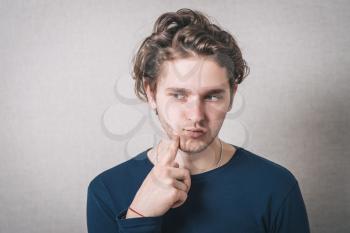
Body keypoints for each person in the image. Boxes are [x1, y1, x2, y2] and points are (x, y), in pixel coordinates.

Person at [86, 8, 310, 233]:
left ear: (231, 95)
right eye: (179, 95)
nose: (196, 115)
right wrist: (139, 216)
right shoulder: (106, 190)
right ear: (152, 94)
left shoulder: (276, 186)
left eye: (212, 96)